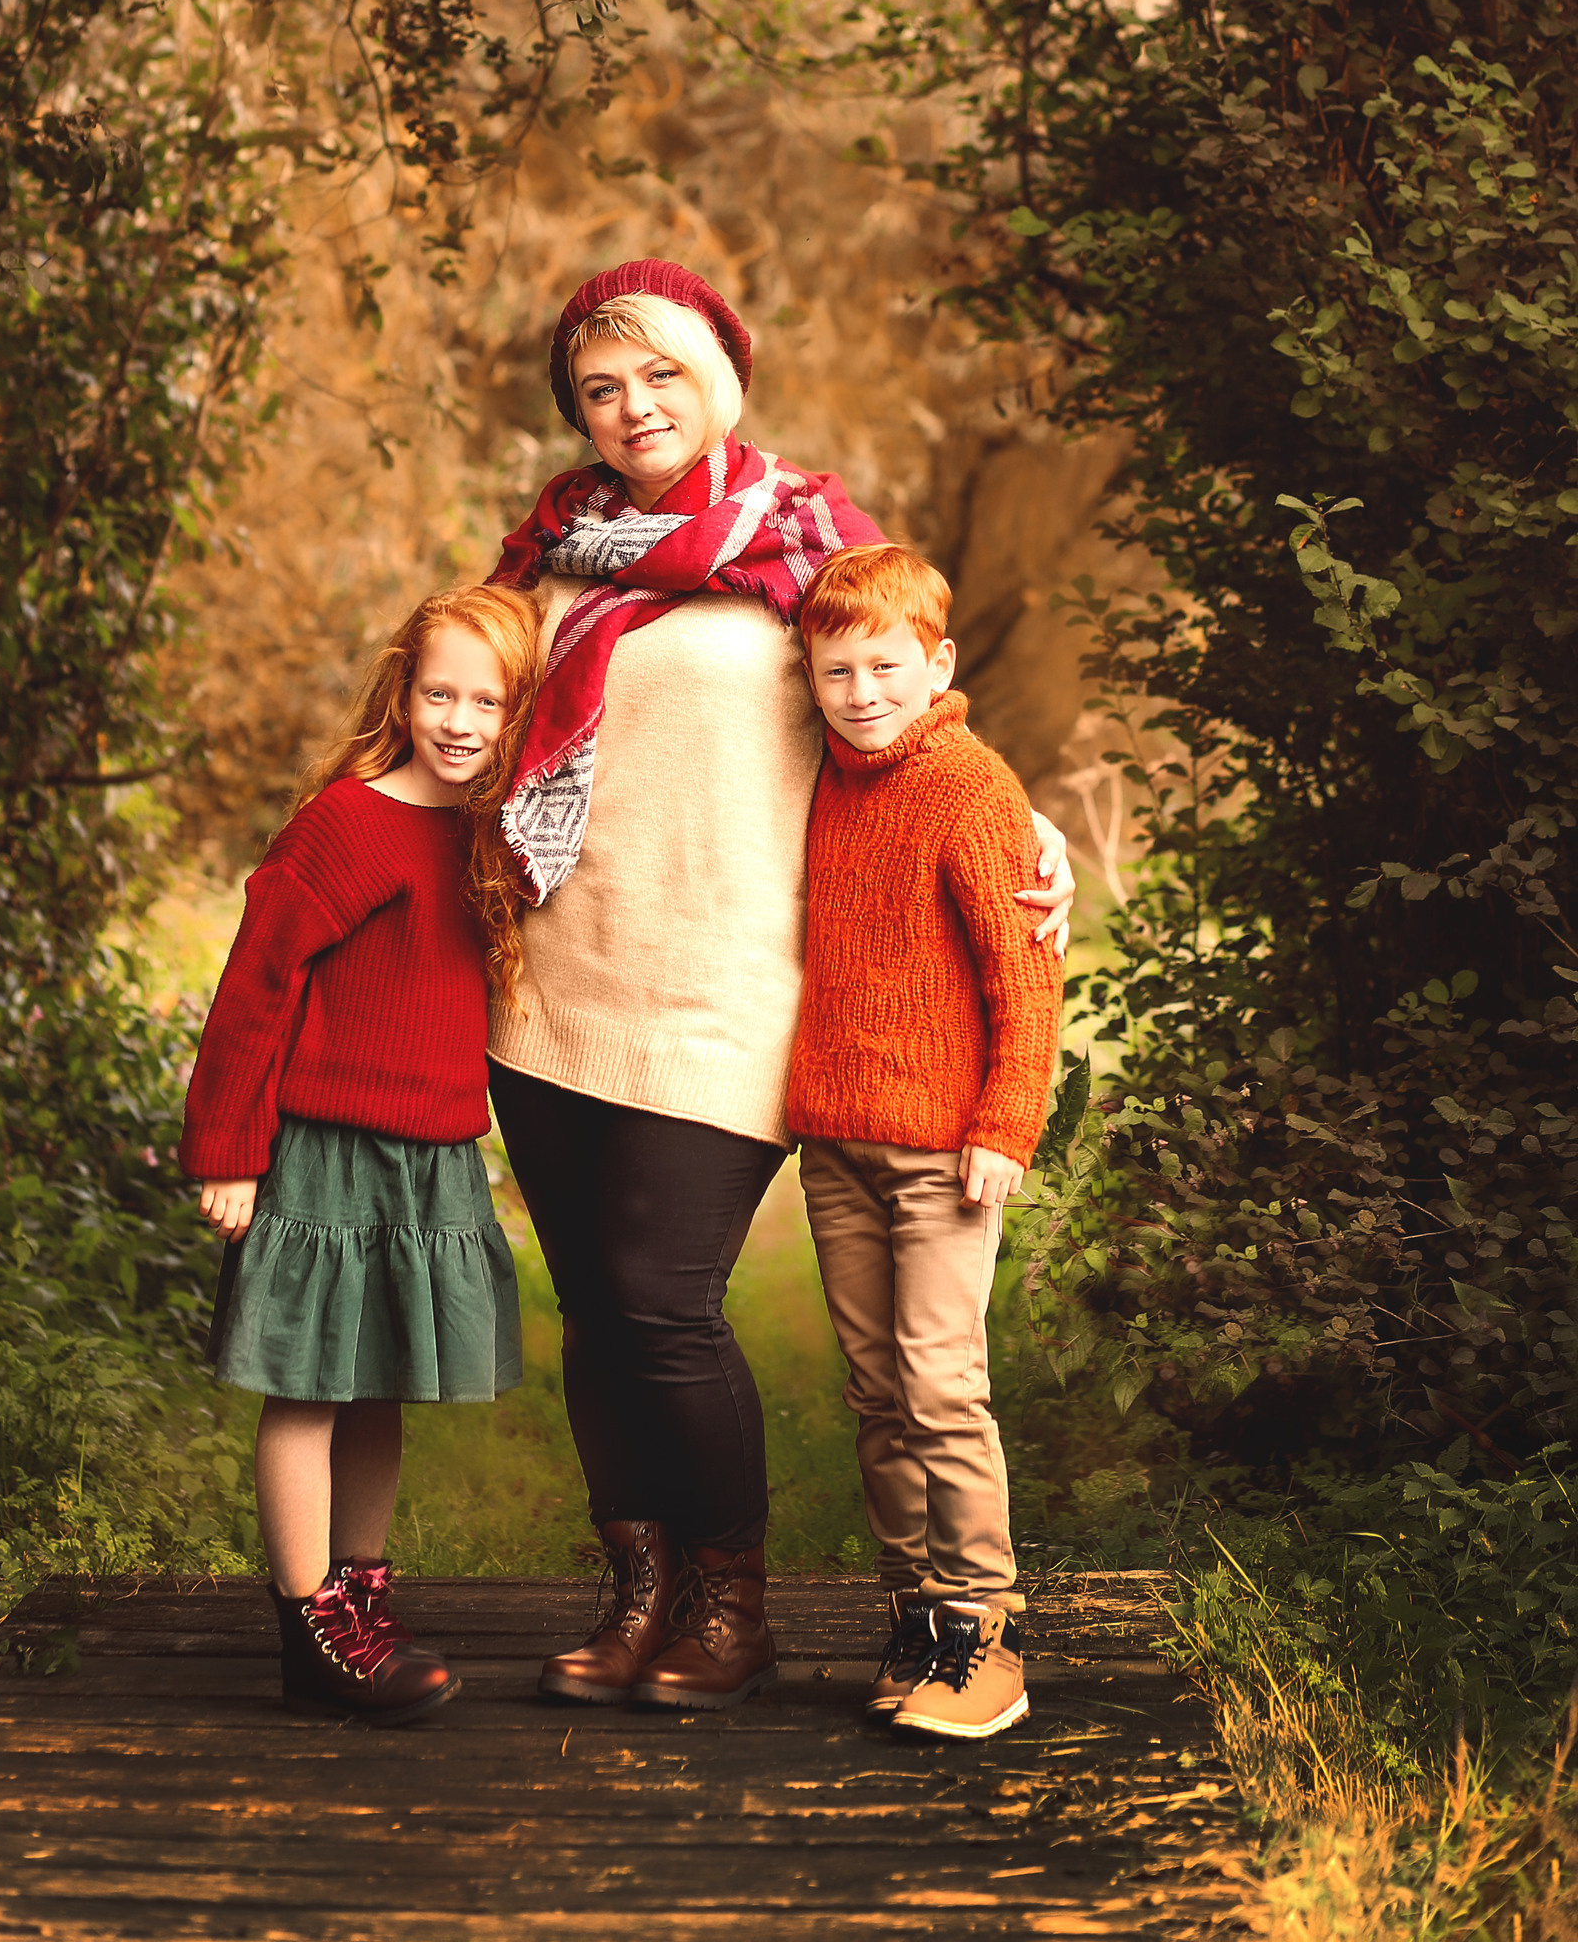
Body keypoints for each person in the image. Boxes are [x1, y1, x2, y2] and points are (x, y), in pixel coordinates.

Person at [486, 258, 1076, 1713]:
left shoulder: (809, 541)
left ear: (724, 376)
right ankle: (640, 1595)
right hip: (552, 991)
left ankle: (729, 1603)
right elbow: (460, 724)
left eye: (663, 373)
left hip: (732, 998)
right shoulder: (549, 559)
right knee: (593, 1309)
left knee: (662, 1300)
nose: (635, 406)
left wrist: (1033, 828)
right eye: (601, 387)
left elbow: (909, 696)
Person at [177, 585, 540, 1723]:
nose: (460, 721)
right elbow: (256, 986)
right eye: (440, 693)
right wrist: (227, 1148)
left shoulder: (495, 837)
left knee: (382, 1380)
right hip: (326, 1147)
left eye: (489, 701)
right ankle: (307, 1626)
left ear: (521, 713)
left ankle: (360, 1592)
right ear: (402, 691)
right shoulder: (349, 822)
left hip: (428, 1155)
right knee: (311, 1384)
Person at [789, 541, 1064, 1742]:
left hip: (947, 1151)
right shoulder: (824, 781)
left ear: (937, 664)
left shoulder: (971, 785)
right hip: (837, 1145)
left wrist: (1006, 1122)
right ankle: (917, 1617)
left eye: (886, 667)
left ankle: (987, 1628)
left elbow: (1026, 975)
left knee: (942, 1382)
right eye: (837, 671)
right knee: (877, 1389)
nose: (862, 693)